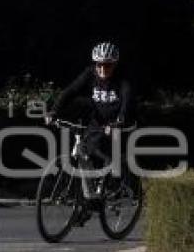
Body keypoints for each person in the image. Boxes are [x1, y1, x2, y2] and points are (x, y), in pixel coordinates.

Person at [46, 41, 134, 171]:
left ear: (115, 64)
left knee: (109, 159)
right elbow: (70, 91)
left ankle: (115, 183)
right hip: (98, 123)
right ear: (95, 64)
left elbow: (128, 103)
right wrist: (54, 111)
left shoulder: (123, 78)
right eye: (99, 65)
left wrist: (118, 122)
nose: (103, 69)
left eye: (107, 65)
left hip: (119, 124)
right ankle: (92, 190)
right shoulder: (90, 73)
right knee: (85, 151)